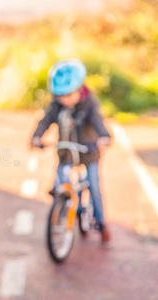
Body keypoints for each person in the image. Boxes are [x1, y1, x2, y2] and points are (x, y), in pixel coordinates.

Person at [30, 59, 112, 243]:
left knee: (93, 185)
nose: (63, 100)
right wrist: (37, 137)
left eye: (68, 95)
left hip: (89, 152)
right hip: (67, 152)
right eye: (59, 96)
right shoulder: (56, 105)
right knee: (61, 180)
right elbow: (45, 120)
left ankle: (101, 222)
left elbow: (98, 121)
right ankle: (61, 206)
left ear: (79, 89)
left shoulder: (89, 103)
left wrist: (104, 136)